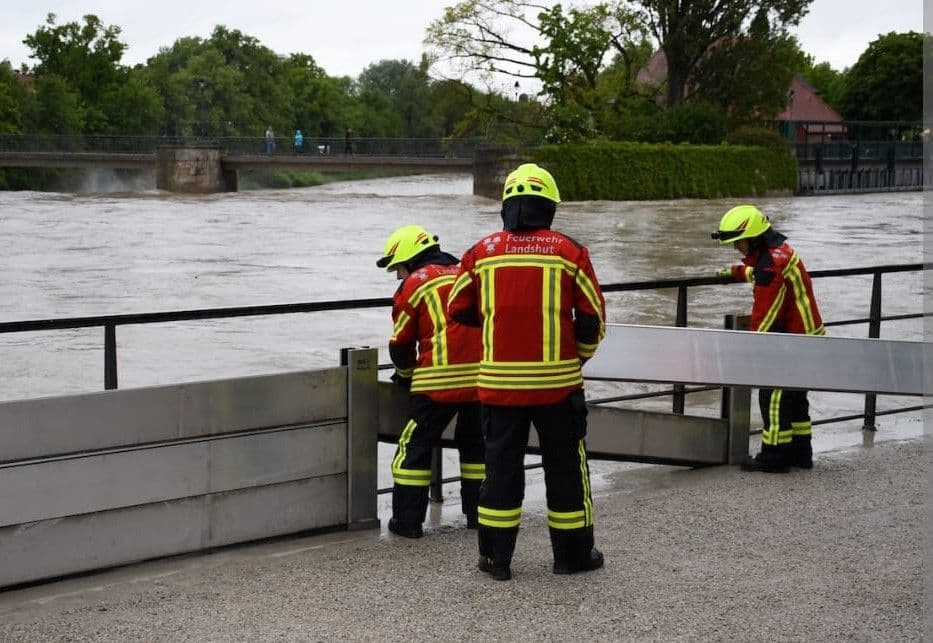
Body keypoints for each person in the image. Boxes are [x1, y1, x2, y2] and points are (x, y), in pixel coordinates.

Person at [448, 163, 606, 581]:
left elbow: (458, 310)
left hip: (498, 389)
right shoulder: (571, 252)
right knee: (567, 471)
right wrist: (576, 360)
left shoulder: (480, 253)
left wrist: (499, 336)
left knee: (499, 471)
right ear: (549, 207)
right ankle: (572, 557)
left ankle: (496, 560)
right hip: (558, 387)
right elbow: (592, 322)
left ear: (507, 207)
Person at [377, 224, 485, 539]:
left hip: (436, 384)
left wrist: (406, 376)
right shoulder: (467, 272)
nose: (397, 275)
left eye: (397, 266)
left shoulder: (413, 284)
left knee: (414, 448)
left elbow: (399, 345)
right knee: (477, 448)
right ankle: (478, 516)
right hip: (482, 380)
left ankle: (408, 522)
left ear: (410, 258)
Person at [712, 204, 825, 473]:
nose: (735, 248)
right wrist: (736, 272)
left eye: (738, 243)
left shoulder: (770, 267)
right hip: (807, 337)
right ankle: (801, 452)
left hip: (794, 341)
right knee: (796, 398)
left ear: (753, 238)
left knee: (772, 394)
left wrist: (750, 352)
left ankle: (774, 456)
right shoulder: (777, 255)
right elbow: (759, 273)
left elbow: (764, 318)